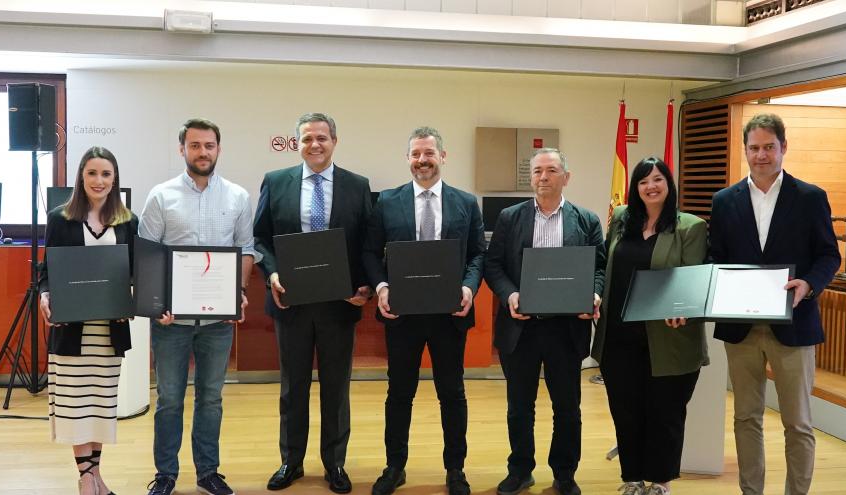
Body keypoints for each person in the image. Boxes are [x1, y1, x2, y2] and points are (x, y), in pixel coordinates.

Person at [710, 114, 840, 495]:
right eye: (754, 148)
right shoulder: (724, 201)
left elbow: (829, 256)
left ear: (784, 147)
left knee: (798, 423)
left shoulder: (810, 198)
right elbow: (717, 257)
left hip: (795, 324)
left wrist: (809, 285)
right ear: (745, 150)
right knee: (745, 418)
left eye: (769, 147)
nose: (761, 155)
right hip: (741, 329)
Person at [139, 118, 259, 495]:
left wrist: (238, 292)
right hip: (171, 321)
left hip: (217, 322)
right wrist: (157, 304)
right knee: (169, 398)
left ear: (218, 149)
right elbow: (147, 255)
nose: (202, 152)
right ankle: (166, 474)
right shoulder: (161, 196)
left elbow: (247, 250)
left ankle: (208, 472)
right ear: (182, 149)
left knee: (211, 397)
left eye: (209, 145)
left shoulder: (237, 197)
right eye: (195, 145)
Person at [253, 112, 372, 494]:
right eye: (307, 139)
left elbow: (369, 244)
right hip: (293, 303)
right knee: (293, 387)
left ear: (334, 141)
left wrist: (366, 286)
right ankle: (291, 460)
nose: (314, 144)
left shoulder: (358, 186)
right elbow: (260, 239)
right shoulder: (276, 182)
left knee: (336, 388)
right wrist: (271, 274)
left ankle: (335, 463)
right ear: (297, 144)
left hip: (340, 304)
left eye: (321, 137)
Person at [362, 126, 485, 495]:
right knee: (400, 392)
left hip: (450, 314)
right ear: (408, 159)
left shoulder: (466, 202)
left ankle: (456, 469)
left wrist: (468, 287)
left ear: (442, 157)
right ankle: (394, 466)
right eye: (415, 154)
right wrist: (382, 287)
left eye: (429, 153)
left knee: (452, 393)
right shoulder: (386, 201)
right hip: (402, 315)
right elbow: (369, 252)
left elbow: (478, 252)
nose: (422, 161)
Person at [483, 148, 604, 495]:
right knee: (519, 406)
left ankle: (565, 473)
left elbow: (599, 267)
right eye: (537, 171)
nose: (543, 178)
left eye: (551, 171)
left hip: (565, 329)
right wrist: (510, 295)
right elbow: (494, 265)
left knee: (568, 407)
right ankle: (520, 469)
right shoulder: (509, 217)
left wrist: (593, 294)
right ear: (531, 177)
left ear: (566, 177)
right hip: (521, 327)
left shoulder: (586, 220)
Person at [590, 157, 708, 495]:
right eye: (643, 181)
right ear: (635, 187)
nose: (651, 186)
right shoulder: (623, 218)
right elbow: (606, 264)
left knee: (665, 413)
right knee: (625, 410)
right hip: (619, 336)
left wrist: (682, 308)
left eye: (657, 179)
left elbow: (694, 278)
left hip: (669, 338)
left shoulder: (689, 226)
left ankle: (661, 480)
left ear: (669, 184)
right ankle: (632, 478)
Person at [38, 146, 138, 495]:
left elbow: (134, 272)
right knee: (74, 405)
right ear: (81, 176)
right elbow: (46, 271)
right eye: (92, 173)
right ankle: (85, 479)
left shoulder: (128, 221)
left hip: (108, 332)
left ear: (115, 180)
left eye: (106, 174)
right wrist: (45, 294)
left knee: (99, 404)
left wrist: (135, 295)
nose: (99, 180)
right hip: (72, 330)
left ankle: (95, 477)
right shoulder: (60, 218)